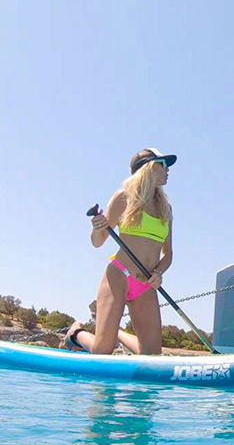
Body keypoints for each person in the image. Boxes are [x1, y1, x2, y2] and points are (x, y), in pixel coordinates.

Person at [67, 148, 176, 355]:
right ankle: (76, 334)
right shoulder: (124, 198)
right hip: (119, 276)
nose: (168, 170)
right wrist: (97, 227)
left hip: (145, 284)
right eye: (163, 164)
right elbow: (97, 242)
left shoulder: (166, 209)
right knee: (102, 353)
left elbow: (168, 254)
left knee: (153, 357)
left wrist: (159, 273)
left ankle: (115, 333)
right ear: (148, 168)